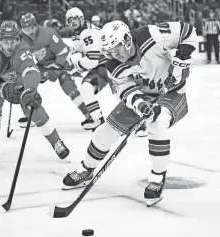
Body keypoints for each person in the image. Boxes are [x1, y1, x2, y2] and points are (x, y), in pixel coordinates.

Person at [62, 20, 197, 207]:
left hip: (172, 92)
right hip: (143, 95)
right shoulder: (112, 64)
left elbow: (187, 30)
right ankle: (86, 169)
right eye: (109, 51)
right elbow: (125, 91)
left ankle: (157, 178)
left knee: (157, 124)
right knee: (103, 132)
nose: (113, 54)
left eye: (116, 48)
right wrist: (141, 105)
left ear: (126, 40)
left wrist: (184, 53)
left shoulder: (151, 34)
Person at [0, 20, 70, 167]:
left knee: (31, 103)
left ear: (18, 39)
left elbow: (31, 71)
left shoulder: (23, 49)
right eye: (6, 41)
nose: (10, 45)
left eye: (13, 40)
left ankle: (56, 141)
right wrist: (0, 88)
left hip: (19, 78)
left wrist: (29, 90)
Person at [19, 12, 93, 129]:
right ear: (23, 30)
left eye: (32, 28)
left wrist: (56, 69)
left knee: (69, 88)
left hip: (61, 63)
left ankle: (90, 116)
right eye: (27, 30)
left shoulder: (48, 33)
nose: (31, 32)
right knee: (28, 83)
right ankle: (32, 116)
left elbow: (63, 53)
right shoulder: (22, 38)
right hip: (43, 66)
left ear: (35, 24)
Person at [64, 7, 112, 131]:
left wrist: (75, 67)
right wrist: (73, 51)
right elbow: (85, 49)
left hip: (110, 65)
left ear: (81, 19)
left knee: (122, 93)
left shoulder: (87, 33)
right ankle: (98, 119)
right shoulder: (81, 32)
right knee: (86, 88)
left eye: (75, 19)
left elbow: (92, 59)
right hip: (104, 65)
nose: (73, 22)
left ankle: (140, 121)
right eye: (70, 20)